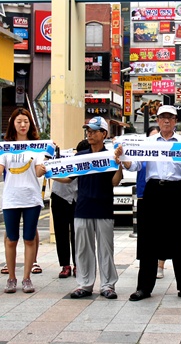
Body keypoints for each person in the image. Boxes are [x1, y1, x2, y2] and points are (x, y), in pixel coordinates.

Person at [116, 105, 181, 302]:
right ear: (157, 120)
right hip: (153, 190)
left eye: (170, 118)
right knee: (148, 240)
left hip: (175, 191)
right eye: (163, 117)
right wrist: (123, 158)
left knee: (179, 240)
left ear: (176, 121)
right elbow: (136, 165)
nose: (166, 121)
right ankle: (144, 288)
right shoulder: (148, 143)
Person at [55, 117, 123, 299]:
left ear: (104, 134)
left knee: (105, 249)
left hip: (103, 208)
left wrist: (119, 165)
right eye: (88, 130)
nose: (90, 134)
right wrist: (49, 173)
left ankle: (108, 285)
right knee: (83, 249)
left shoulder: (110, 156)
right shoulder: (80, 156)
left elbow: (114, 182)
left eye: (94, 130)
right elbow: (68, 178)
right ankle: (85, 284)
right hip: (82, 208)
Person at [0, 108, 46, 294]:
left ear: (31, 125)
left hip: (31, 198)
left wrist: (45, 168)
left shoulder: (37, 147)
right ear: (13, 123)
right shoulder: (5, 148)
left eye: (26, 122)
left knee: (29, 239)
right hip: (11, 198)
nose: (23, 125)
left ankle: (26, 278)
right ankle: (11, 278)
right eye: (19, 121)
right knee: (11, 239)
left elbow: (37, 171)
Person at [51, 139, 90, 279]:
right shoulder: (65, 158)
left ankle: (77, 265)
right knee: (61, 231)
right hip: (59, 196)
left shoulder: (91, 161)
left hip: (77, 198)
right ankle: (65, 265)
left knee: (77, 232)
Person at [133, 126, 165, 279]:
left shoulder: (167, 154)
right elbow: (133, 165)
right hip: (144, 196)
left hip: (163, 195)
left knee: (163, 233)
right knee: (145, 235)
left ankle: (160, 264)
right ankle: (146, 268)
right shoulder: (143, 152)